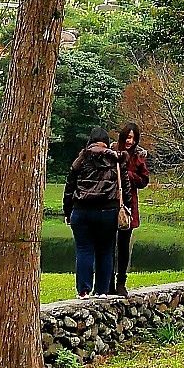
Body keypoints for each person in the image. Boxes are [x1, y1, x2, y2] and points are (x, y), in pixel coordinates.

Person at [62, 132, 130, 297]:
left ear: (90, 142)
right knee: (106, 250)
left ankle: (83, 290)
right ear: (106, 143)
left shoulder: (82, 159)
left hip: (82, 210)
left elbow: (69, 187)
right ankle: (102, 290)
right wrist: (126, 207)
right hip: (108, 211)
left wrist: (67, 211)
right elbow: (126, 188)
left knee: (84, 249)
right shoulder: (115, 160)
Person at [113, 123, 150, 294]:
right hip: (110, 202)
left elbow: (144, 180)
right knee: (107, 245)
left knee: (123, 244)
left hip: (129, 205)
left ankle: (121, 281)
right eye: (128, 137)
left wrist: (129, 175)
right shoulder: (112, 151)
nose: (130, 141)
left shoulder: (137, 157)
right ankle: (106, 281)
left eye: (133, 138)